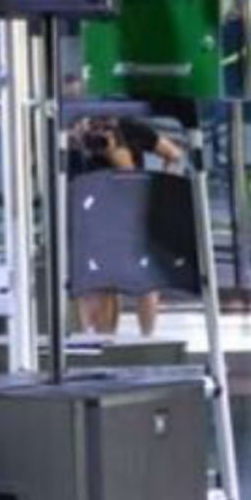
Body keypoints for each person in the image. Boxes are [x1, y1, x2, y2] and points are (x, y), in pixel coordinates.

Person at [65, 109, 188, 338]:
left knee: (145, 278)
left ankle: (147, 337)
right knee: (101, 281)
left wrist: (161, 189)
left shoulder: (128, 128)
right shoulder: (73, 132)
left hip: (130, 211)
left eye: (104, 125)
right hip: (93, 214)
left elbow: (173, 155)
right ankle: (103, 340)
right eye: (95, 126)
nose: (99, 133)